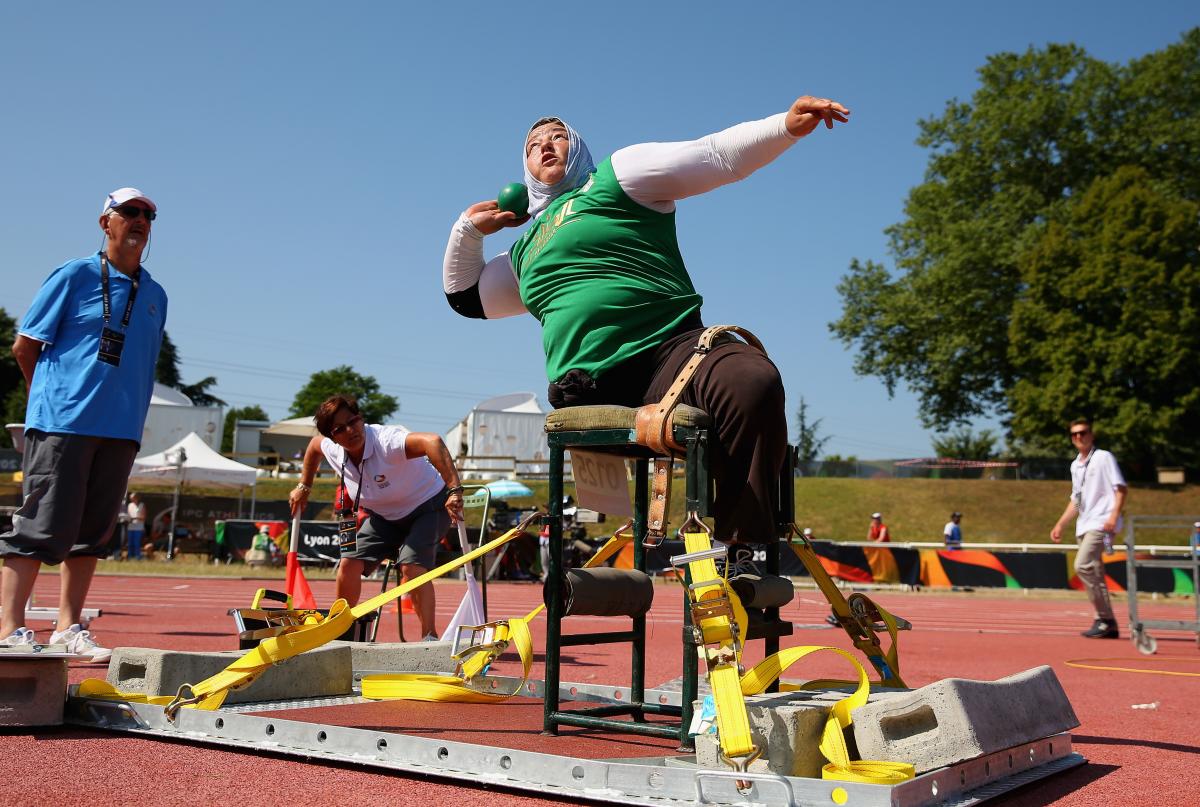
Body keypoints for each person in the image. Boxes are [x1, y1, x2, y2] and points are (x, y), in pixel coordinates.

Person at [443, 96, 850, 544]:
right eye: (532, 145)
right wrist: (467, 228)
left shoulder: (618, 177)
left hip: (672, 358)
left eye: (557, 136)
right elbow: (466, 298)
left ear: (576, 146)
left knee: (750, 378)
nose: (544, 147)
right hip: (585, 392)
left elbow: (714, 155)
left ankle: (743, 554)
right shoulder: (522, 252)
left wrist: (784, 126)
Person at [0, 188, 167, 660]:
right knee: (40, 523)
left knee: (93, 531)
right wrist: (50, 402)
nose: (140, 220)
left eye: (148, 215)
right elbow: (25, 346)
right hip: (64, 422)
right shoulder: (73, 275)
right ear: (105, 222)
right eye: (130, 212)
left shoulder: (155, 294)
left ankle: (67, 627)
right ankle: (10, 628)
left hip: (120, 428)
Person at [289, 395, 465, 641]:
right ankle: (341, 631)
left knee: (411, 566)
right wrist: (303, 487)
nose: (351, 430)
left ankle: (429, 637)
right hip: (383, 517)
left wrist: (455, 489)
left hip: (429, 506)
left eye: (354, 421)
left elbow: (432, 441)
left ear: (361, 419)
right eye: (341, 428)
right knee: (348, 562)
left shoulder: (386, 441)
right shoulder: (331, 448)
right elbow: (313, 447)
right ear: (333, 437)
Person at [1051, 418, 1127, 639]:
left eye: (1082, 433)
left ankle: (1105, 617)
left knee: (1082, 565)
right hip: (1083, 524)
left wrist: (1113, 516)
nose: (1078, 437)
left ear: (1091, 435)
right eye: (1074, 434)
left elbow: (1121, 488)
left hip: (1101, 522)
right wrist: (1061, 523)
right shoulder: (1076, 465)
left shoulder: (1103, 457)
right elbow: (1076, 499)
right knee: (1094, 572)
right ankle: (1105, 622)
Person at [126, 492, 148, 560]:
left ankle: (137, 556)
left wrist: (135, 518)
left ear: (136, 498)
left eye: (132, 498)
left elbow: (144, 517)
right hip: (130, 527)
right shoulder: (130, 505)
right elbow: (128, 515)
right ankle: (130, 556)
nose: (131, 499)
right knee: (130, 543)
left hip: (138, 528)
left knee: (137, 543)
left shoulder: (142, 505)